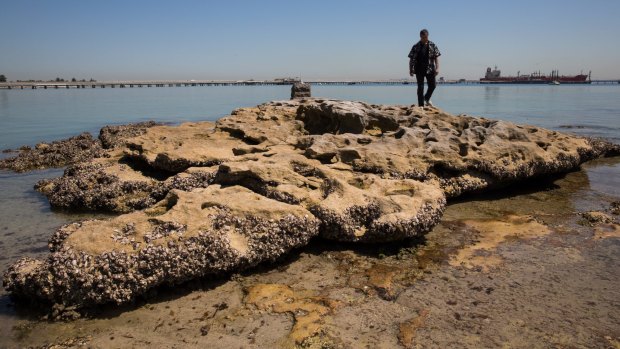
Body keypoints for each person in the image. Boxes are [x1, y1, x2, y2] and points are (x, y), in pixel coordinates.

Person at [408, 29, 441, 107]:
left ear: (428, 36)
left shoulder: (432, 45)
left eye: (425, 37)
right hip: (419, 69)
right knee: (420, 88)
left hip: (430, 69)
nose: (424, 39)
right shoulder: (416, 46)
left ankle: (426, 98)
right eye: (423, 37)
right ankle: (421, 106)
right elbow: (411, 59)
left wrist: (437, 68)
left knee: (433, 86)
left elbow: (436, 57)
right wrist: (410, 69)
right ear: (420, 36)